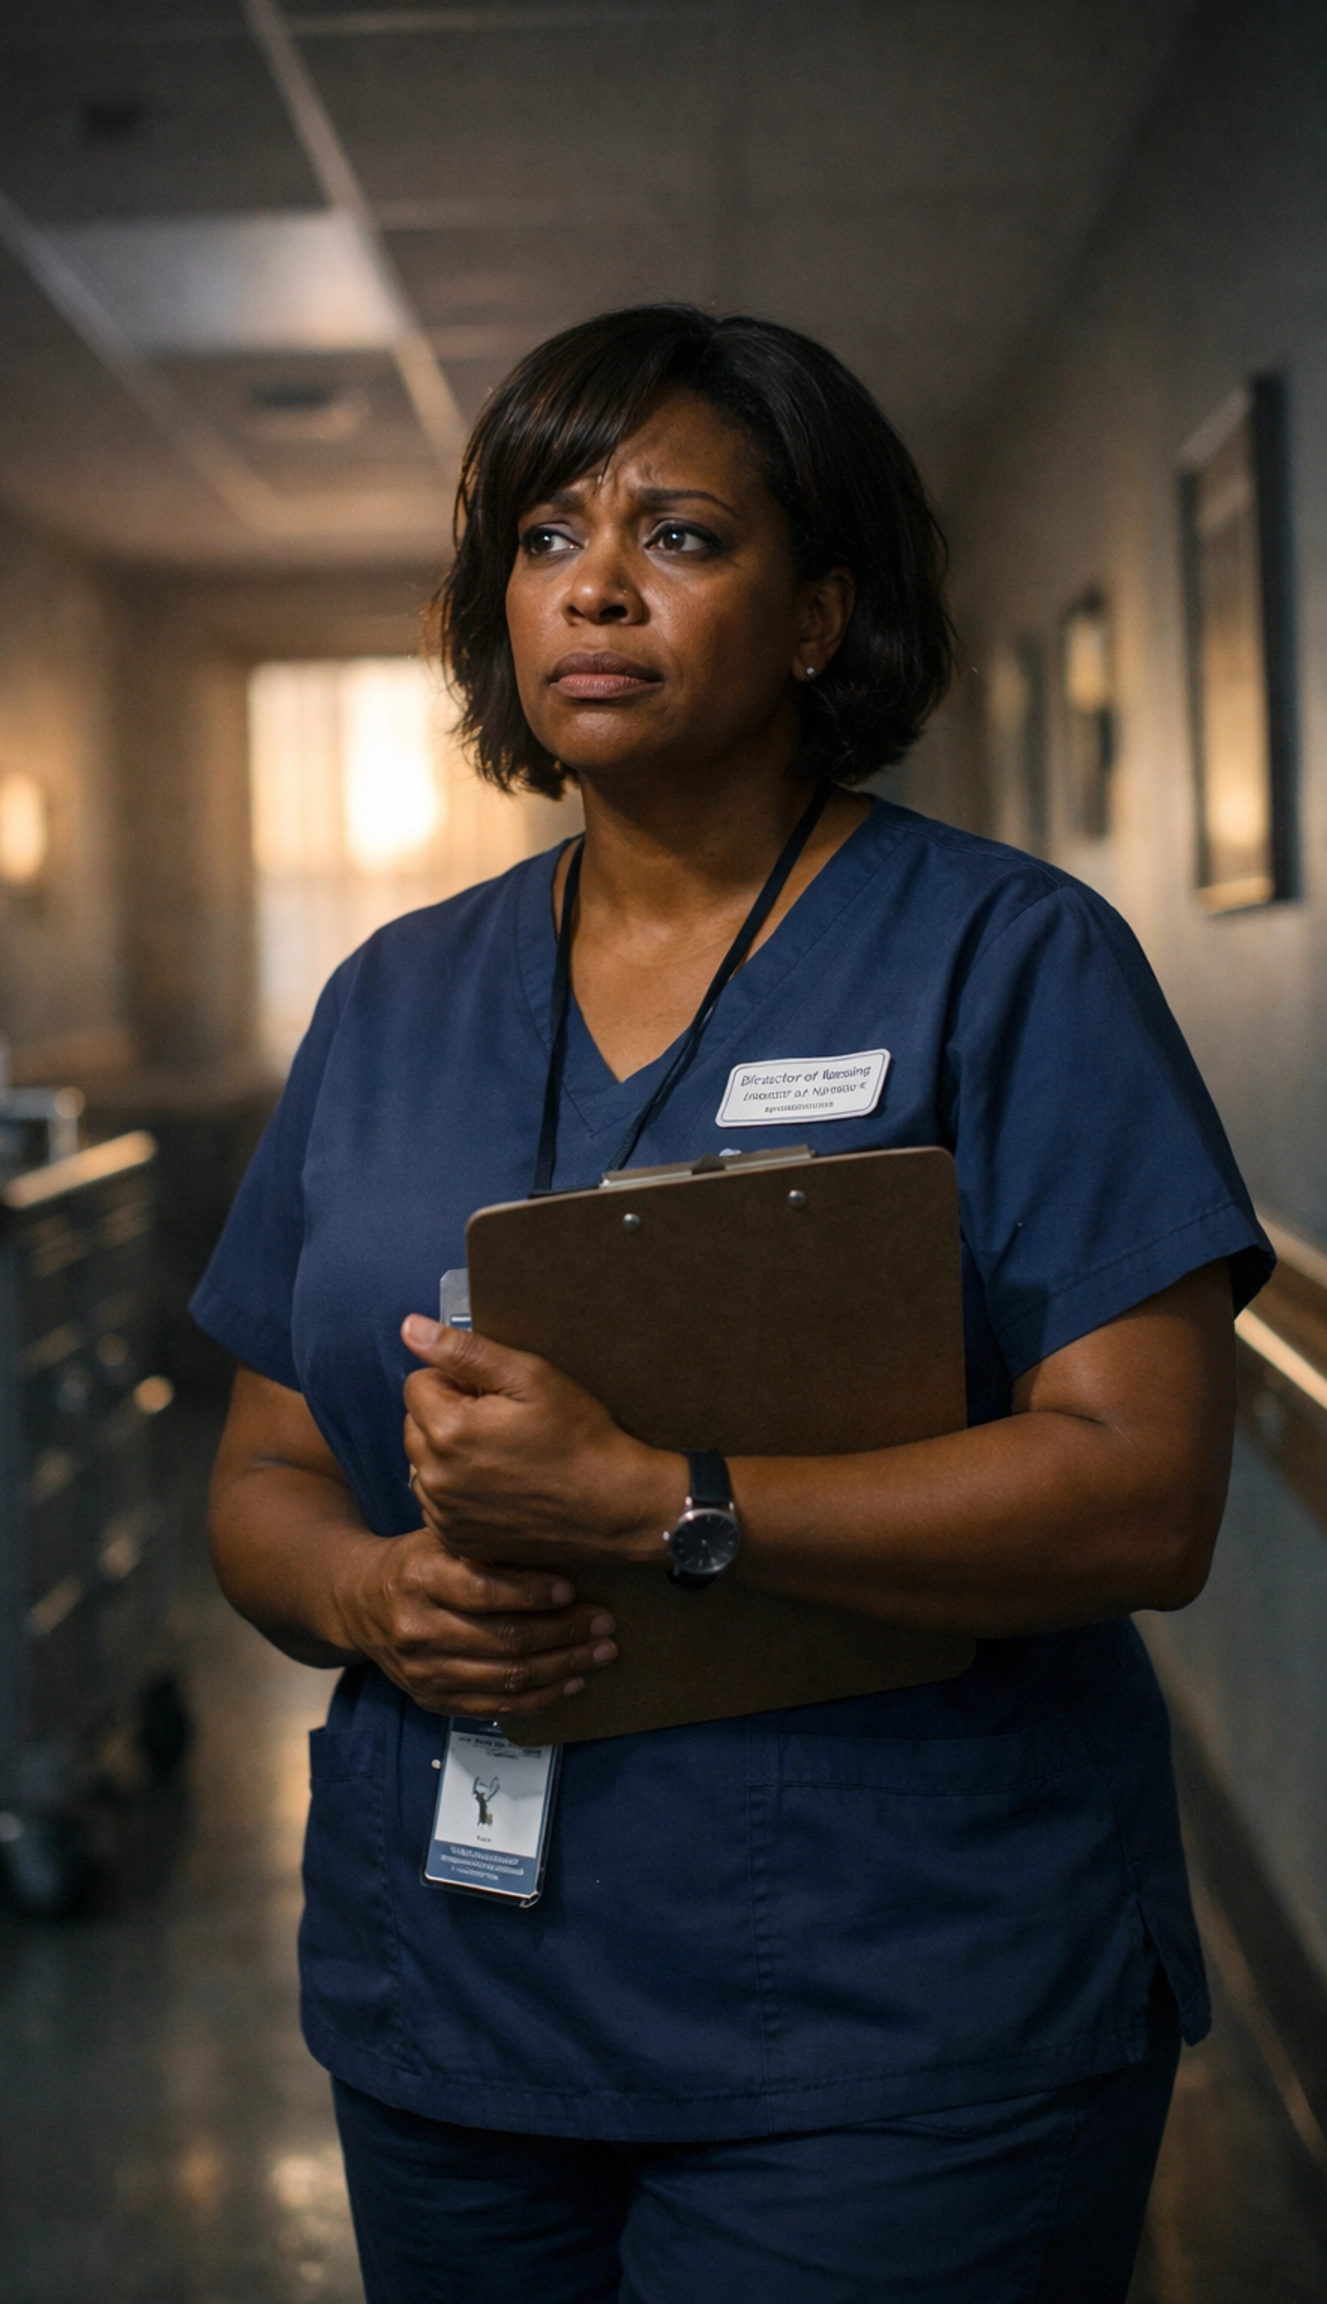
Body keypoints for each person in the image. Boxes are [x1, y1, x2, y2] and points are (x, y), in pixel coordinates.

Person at [195, 305, 1271, 2303]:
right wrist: (363, 1597)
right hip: (463, 2004)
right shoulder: (390, 1002)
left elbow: (1144, 1498)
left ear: (815, 617)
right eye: (542, 536)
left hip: (899, 2022)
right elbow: (264, 1463)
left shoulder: (1008, 962)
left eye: (678, 532)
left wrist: (664, 1502)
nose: (591, 580)